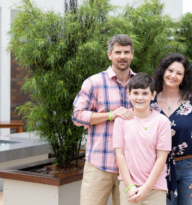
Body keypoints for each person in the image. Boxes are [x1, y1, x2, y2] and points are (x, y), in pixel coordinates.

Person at [72, 34, 136, 205]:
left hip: (131, 168)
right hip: (99, 164)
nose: (122, 56)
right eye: (118, 52)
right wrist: (110, 115)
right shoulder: (94, 82)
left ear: (132, 54)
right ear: (109, 54)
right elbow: (77, 116)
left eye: (126, 52)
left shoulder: (140, 84)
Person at [150, 53, 192, 205]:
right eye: (170, 71)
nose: (173, 76)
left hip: (190, 167)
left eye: (179, 73)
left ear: (184, 77)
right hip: (160, 168)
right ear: (163, 71)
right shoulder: (150, 102)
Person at [113, 73, 171, 205]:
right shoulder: (121, 120)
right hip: (129, 187)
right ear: (129, 94)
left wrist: (146, 188)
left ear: (153, 95)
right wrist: (130, 186)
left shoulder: (162, 122)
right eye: (136, 93)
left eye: (145, 93)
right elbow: (120, 154)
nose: (140, 98)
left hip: (155, 188)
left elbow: (162, 158)